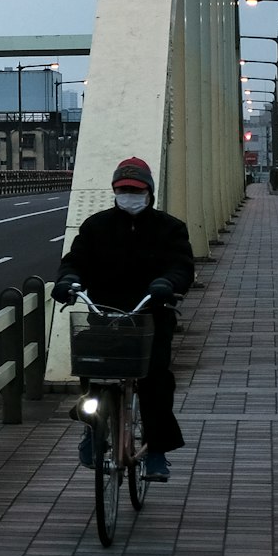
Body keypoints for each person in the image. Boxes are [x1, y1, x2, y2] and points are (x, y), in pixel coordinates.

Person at [53, 156, 194, 482]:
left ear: (149, 192)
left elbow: (182, 265)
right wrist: (68, 280)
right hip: (107, 315)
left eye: (135, 189)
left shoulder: (169, 228)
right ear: (115, 191)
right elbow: (75, 261)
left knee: (155, 380)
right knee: (91, 367)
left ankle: (156, 450)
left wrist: (168, 283)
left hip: (150, 316)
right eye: (123, 189)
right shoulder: (96, 226)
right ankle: (93, 428)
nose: (129, 194)